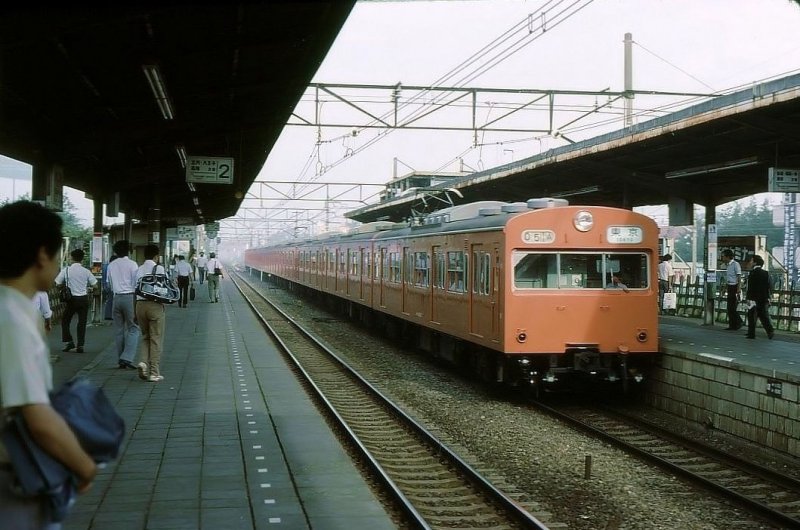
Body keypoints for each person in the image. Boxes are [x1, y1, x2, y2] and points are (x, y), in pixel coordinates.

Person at [0, 200, 97, 527]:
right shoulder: (12, 319)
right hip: (12, 478)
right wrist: (83, 466)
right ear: (42, 255)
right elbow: (37, 418)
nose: (58, 264)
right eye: (57, 255)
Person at [54, 249, 98, 354]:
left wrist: (65, 287)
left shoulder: (66, 270)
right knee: (82, 322)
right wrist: (88, 288)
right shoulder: (86, 271)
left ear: (71, 258)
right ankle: (80, 345)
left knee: (65, 320)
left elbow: (57, 283)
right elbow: (95, 285)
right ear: (82, 259)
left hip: (72, 300)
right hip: (83, 299)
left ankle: (69, 341)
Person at [135, 244, 167, 382]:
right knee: (156, 338)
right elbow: (164, 288)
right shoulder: (159, 269)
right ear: (156, 256)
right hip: (154, 305)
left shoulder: (138, 269)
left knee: (145, 336)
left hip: (139, 305)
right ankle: (154, 372)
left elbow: (134, 288)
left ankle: (143, 363)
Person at [106, 240, 140, 369]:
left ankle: (121, 359)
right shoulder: (132, 264)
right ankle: (127, 357)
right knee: (133, 328)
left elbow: (109, 283)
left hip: (116, 298)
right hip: (129, 297)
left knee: (119, 330)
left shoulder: (111, 265)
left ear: (115, 251)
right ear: (128, 251)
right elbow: (136, 283)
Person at [745, 255, 774, 340]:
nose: (750, 262)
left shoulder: (752, 273)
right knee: (763, 315)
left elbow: (750, 287)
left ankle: (751, 333)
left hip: (753, 298)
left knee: (751, 315)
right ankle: (770, 331)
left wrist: (748, 298)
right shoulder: (766, 273)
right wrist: (769, 296)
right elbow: (770, 286)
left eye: (751, 261)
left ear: (755, 263)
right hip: (763, 297)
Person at [721, 249, 743, 330]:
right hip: (729, 286)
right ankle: (732, 325)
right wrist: (724, 289)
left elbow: (739, 276)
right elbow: (728, 279)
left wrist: (739, 288)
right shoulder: (728, 266)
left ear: (728, 257)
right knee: (729, 307)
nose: (722, 258)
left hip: (735, 286)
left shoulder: (735, 264)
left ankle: (738, 322)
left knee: (733, 307)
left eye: (723, 256)